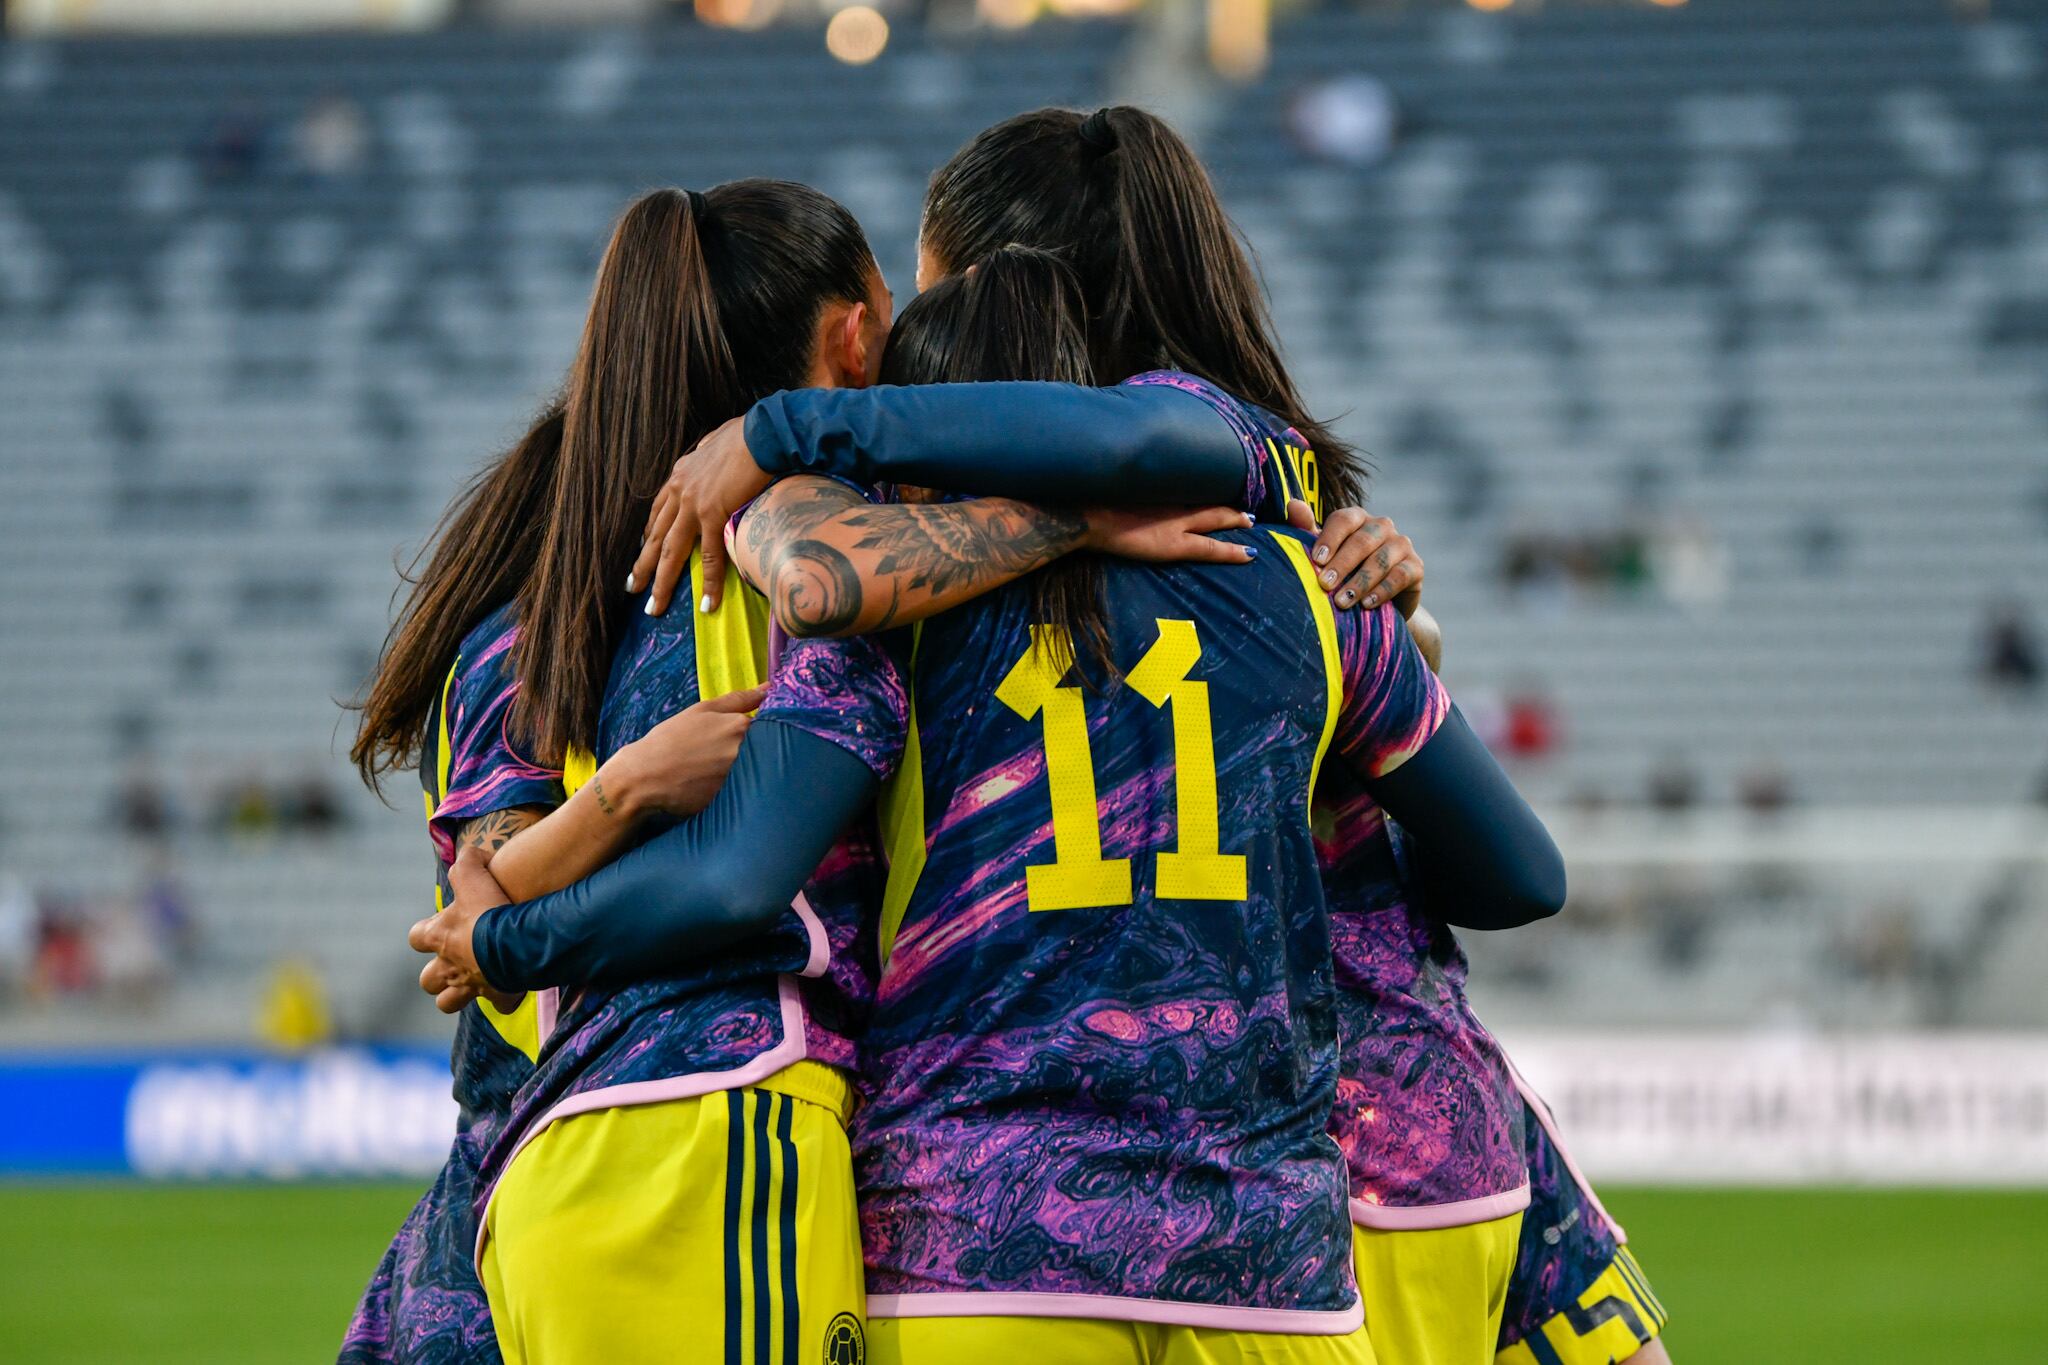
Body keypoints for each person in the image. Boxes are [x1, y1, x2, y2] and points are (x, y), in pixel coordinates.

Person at [633, 106, 1667, 1365]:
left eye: (930, 277)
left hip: (1017, 1203)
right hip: (1335, 1168)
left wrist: (778, 436)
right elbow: (1516, 875)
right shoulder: (1283, 544)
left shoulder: (934, 558)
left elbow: (815, 593)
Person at [430, 245, 1564, 1365]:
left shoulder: (880, 624)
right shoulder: (1314, 584)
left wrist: (507, 938)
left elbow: (734, 871)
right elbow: (1520, 878)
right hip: (1263, 1251)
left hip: (975, 1232)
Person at [341, 383, 771, 1357]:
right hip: (532, 1171)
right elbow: (486, 885)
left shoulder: (555, 637)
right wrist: (635, 784)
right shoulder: (521, 644)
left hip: (515, 1170)